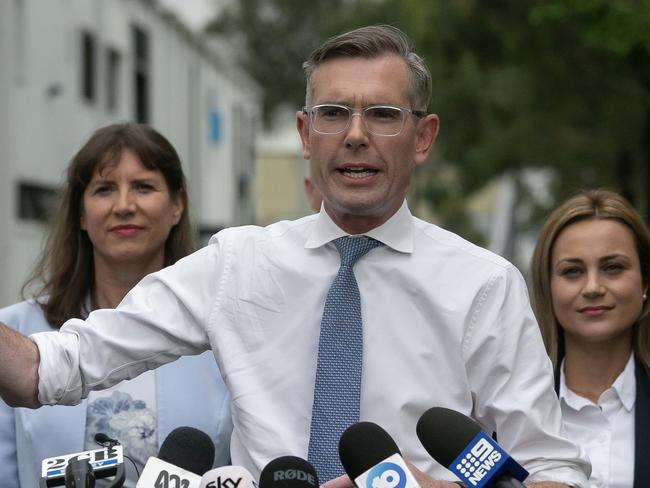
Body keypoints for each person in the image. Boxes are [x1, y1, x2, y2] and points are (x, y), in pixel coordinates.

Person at [0, 26, 589, 487]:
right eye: (334, 114)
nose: (355, 134)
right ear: (307, 136)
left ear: (423, 137)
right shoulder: (236, 262)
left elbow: (553, 471)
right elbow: (49, 369)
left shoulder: (485, 284)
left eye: (382, 115)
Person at [0, 123, 232, 488]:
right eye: (105, 189)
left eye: (143, 187)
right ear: (80, 213)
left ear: (176, 205)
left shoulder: (224, 335)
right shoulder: (13, 336)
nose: (124, 206)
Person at [530, 189, 650, 488]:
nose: (593, 287)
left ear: (645, 282)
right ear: (549, 288)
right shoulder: (510, 410)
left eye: (613, 268)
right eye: (572, 271)